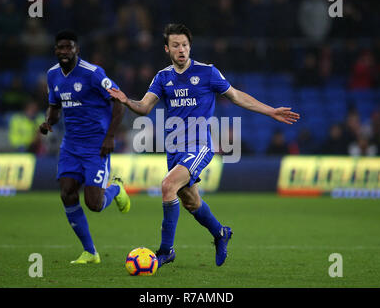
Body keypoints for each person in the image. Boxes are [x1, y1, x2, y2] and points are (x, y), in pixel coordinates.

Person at [108, 24, 300, 267]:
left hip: (199, 146)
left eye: (185, 45)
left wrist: (271, 111)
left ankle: (166, 251)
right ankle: (221, 233)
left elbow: (237, 96)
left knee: (167, 185)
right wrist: (126, 100)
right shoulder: (162, 77)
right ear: (167, 49)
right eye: (176, 45)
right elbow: (144, 108)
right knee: (190, 201)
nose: (181, 49)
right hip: (174, 149)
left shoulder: (208, 73)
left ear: (190, 47)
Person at [39, 30, 131, 264]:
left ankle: (117, 189)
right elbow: (55, 107)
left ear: (76, 49)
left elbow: (120, 101)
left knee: (94, 204)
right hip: (71, 145)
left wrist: (110, 137)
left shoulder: (93, 73)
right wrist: (49, 122)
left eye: (68, 47)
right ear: (55, 50)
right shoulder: (52, 75)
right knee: (67, 192)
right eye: (60, 47)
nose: (64, 51)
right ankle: (90, 252)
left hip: (96, 146)